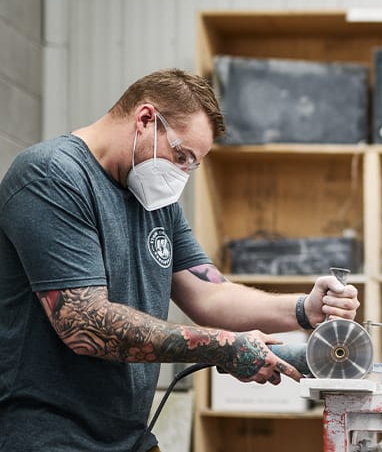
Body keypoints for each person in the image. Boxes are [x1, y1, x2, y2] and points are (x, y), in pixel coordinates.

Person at [0, 68, 360, 452]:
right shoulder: (53, 175)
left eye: (193, 164)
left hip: (126, 436)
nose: (182, 172)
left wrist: (306, 308)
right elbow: (84, 324)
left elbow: (209, 294)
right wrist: (221, 346)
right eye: (181, 155)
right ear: (145, 119)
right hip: (49, 437)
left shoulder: (155, 201)